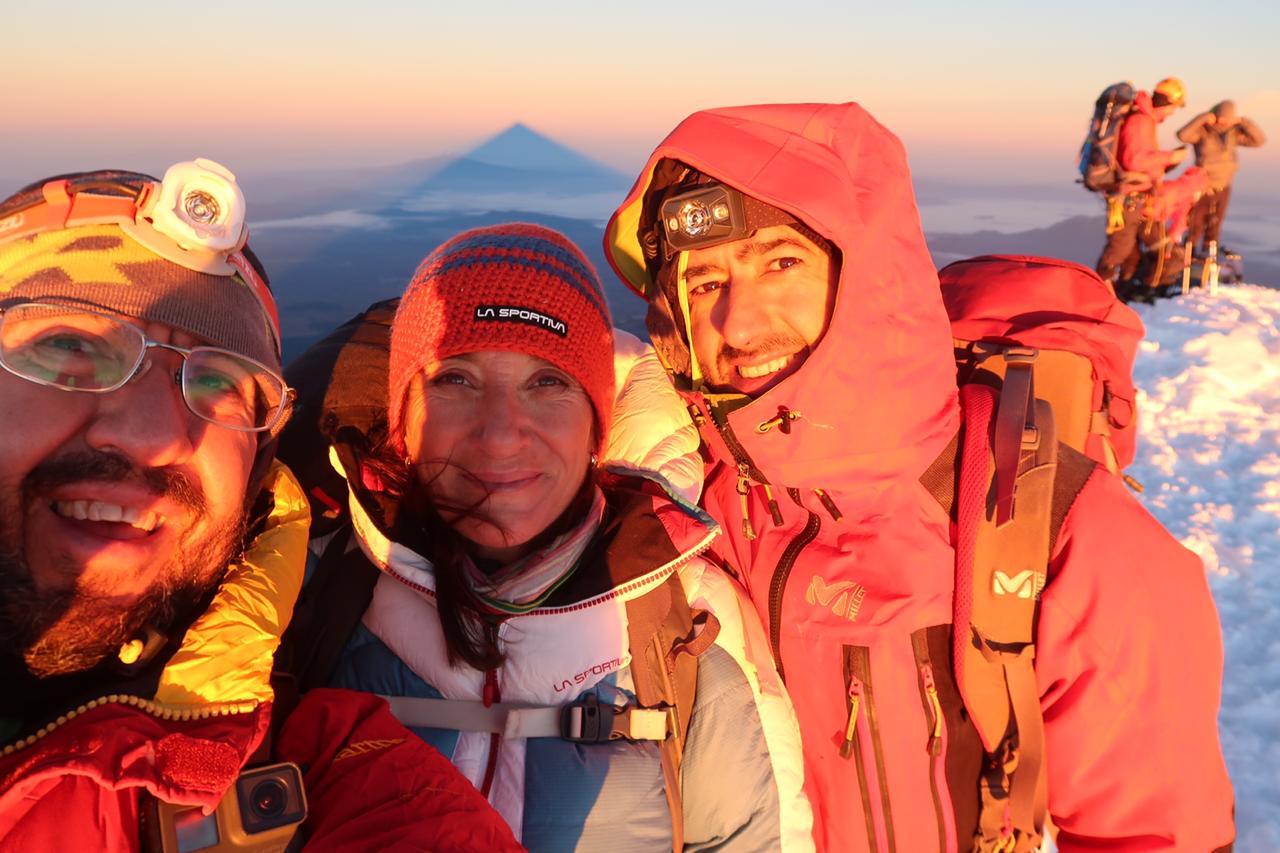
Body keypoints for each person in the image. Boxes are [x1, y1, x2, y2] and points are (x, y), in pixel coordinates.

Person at [604, 103, 1235, 851]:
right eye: (704, 282)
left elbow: (1157, 832)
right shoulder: (674, 504)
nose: (740, 323)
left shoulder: (1068, 536)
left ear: (864, 274)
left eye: (782, 262)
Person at [0, 161, 520, 852]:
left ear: (255, 476)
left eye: (218, 379)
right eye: (69, 346)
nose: (154, 433)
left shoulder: (323, 774)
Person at [284, 222, 813, 852]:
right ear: (402, 421)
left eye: (549, 382)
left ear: (596, 430)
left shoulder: (687, 616)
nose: (503, 433)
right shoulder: (310, 590)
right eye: (456, 379)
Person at [1094, 77, 1190, 286]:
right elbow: (1134, 159)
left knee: (1131, 252)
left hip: (1135, 196)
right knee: (1119, 249)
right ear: (1167, 102)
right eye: (1173, 107)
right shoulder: (1141, 120)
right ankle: (1099, 290)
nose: (1172, 113)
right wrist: (1170, 157)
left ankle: (1123, 294)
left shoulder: (1144, 118)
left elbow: (1141, 158)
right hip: (1130, 197)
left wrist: (1165, 163)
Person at [1177, 99, 1267, 255]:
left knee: (1214, 227)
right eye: (1223, 117)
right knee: (1195, 225)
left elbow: (1259, 141)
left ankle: (1208, 260)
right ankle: (1185, 260)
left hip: (1224, 186)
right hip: (1203, 186)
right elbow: (1182, 135)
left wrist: (1243, 122)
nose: (1225, 121)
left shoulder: (1234, 133)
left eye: (1229, 118)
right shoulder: (1203, 131)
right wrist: (1203, 117)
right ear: (1216, 115)